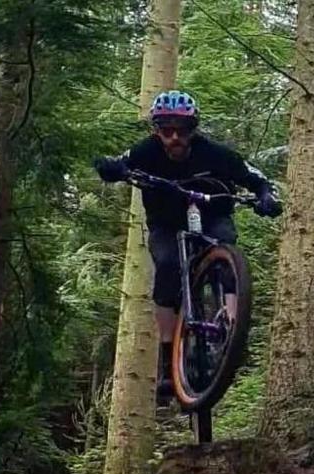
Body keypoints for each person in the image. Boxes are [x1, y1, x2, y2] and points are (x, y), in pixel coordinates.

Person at [93, 90, 282, 406]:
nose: (175, 138)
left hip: (212, 214)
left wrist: (266, 197)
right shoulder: (146, 151)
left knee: (225, 249)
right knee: (167, 266)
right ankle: (169, 362)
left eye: (183, 130)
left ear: (194, 130)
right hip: (167, 223)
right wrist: (109, 169)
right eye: (167, 130)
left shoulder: (215, 153)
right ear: (157, 130)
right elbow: (116, 163)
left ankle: (233, 326)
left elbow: (255, 177)